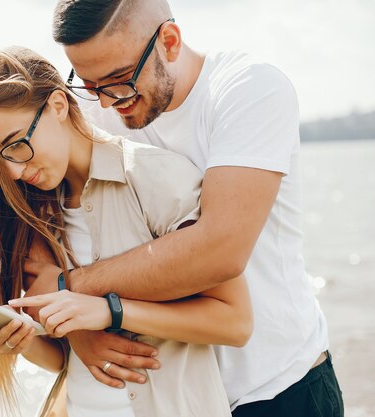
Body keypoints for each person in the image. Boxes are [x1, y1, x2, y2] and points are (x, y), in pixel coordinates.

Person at [20, 0, 344, 416]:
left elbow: (219, 251)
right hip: (178, 400)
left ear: (169, 42)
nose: (104, 103)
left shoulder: (248, 90)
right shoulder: (98, 104)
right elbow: (33, 231)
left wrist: (74, 292)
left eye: (119, 80)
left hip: (279, 387)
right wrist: (78, 333)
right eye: (88, 84)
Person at [0, 46, 253, 417]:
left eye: (16, 145)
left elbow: (235, 322)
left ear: (58, 105)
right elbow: (63, 361)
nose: (14, 172)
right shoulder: (35, 215)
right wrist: (21, 340)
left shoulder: (154, 178)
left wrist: (109, 312)